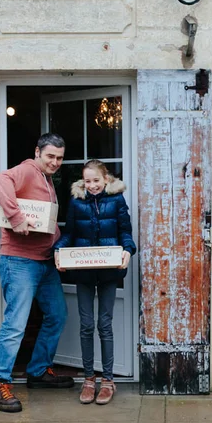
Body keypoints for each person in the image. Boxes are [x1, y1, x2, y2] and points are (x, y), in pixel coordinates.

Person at [0, 133, 74, 413]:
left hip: (45, 261)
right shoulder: (27, 170)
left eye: (60, 158)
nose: (55, 162)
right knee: (15, 325)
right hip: (20, 261)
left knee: (57, 314)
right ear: (38, 152)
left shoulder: (48, 180)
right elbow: (0, 181)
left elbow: (46, 221)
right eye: (50, 156)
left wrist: (61, 248)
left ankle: (37, 371)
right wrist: (15, 217)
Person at [54, 160, 136, 405]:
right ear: (83, 182)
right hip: (84, 273)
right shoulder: (76, 202)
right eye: (87, 181)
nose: (92, 186)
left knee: (105, 324)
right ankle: (89, 379)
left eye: (96, 181)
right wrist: (59, 250)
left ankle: (108, 381)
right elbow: (69, 233)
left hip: (109, 272)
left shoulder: (117, 201)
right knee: (86, 325)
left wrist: (127, 252)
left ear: (106, 179)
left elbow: (126, 233)